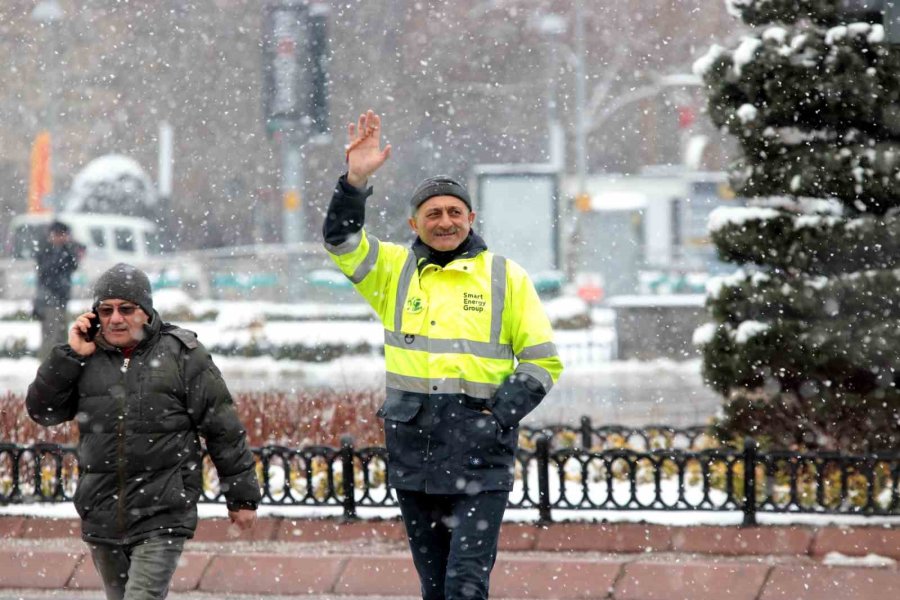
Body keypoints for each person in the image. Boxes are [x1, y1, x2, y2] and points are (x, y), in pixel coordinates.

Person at [323, 110, 563, 600]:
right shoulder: (392, 271)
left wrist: (495, 416)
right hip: (416, 455)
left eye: (455, 212)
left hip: (481, 459)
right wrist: (355, 181)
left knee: (465, 585)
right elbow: (341, 241)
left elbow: (543, 362)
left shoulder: (506, 277)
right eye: (433, 213)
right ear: (414, 223)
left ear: (471, 218)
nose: (445, 221)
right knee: (436, 588)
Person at [25, 263, 261, 600]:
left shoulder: (183, 355)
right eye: (105, 310)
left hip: (162, 513)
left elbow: (223, 427)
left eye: (126, 309)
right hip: (102, 513)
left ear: (146, 312)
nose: (116, 318)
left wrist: (242, 497)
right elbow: (42, 411)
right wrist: (69, 355)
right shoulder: (84, 357)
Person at [33, 220, 84, 359]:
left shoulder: (67, 250)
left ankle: (59, 367)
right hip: (48, 301)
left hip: (62, 300)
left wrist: (68, 247)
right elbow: (46, 272)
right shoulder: (46, 250)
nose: (61, 238)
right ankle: (46, 367)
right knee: (51, 337)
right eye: (59, 234)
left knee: (62, 337)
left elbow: (74, 265)